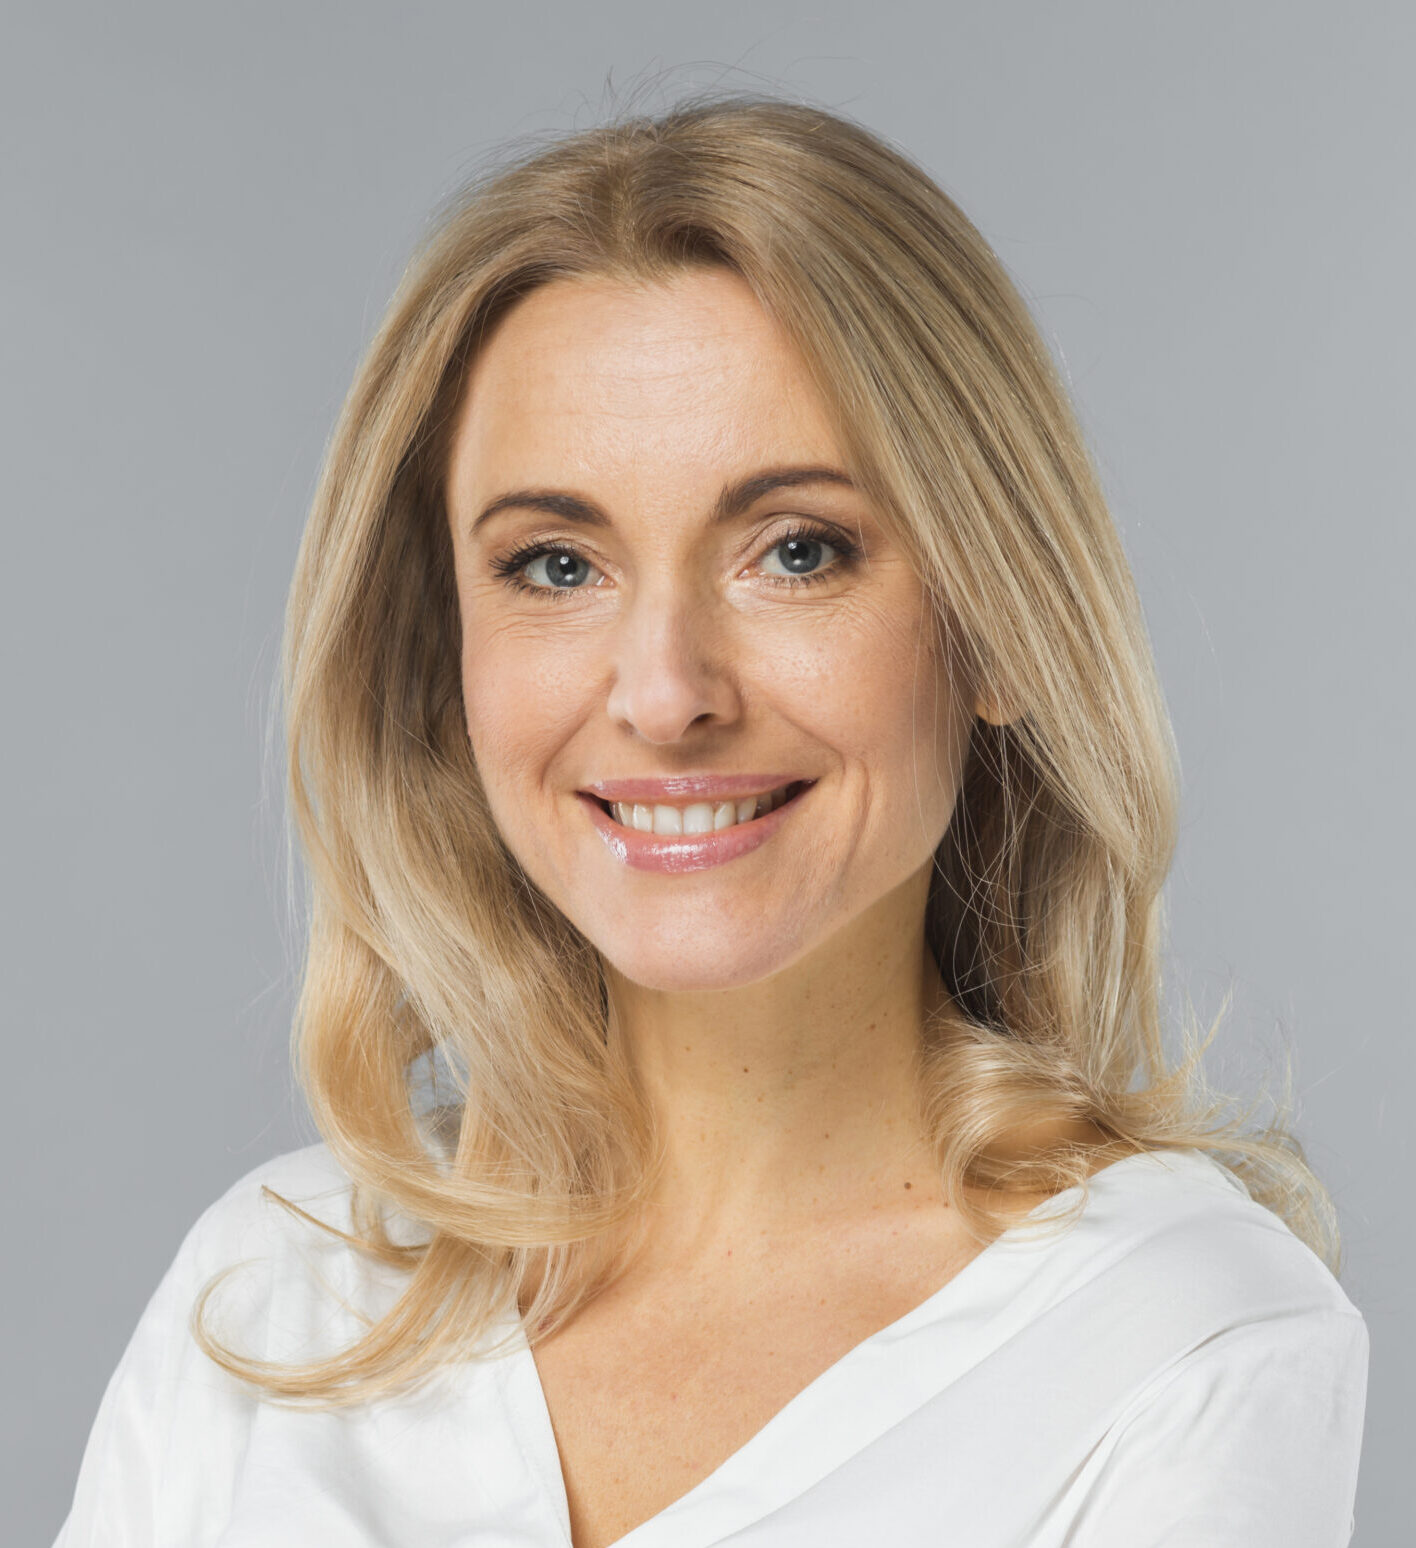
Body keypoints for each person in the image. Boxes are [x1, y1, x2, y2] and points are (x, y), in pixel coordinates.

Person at [52, 91, 1369, 1548]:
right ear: (451, 667)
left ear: (996, 624)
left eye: (795, 551)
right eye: (557, 566)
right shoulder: (269, 1299)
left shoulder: (1181, 1347)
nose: (666, 691)